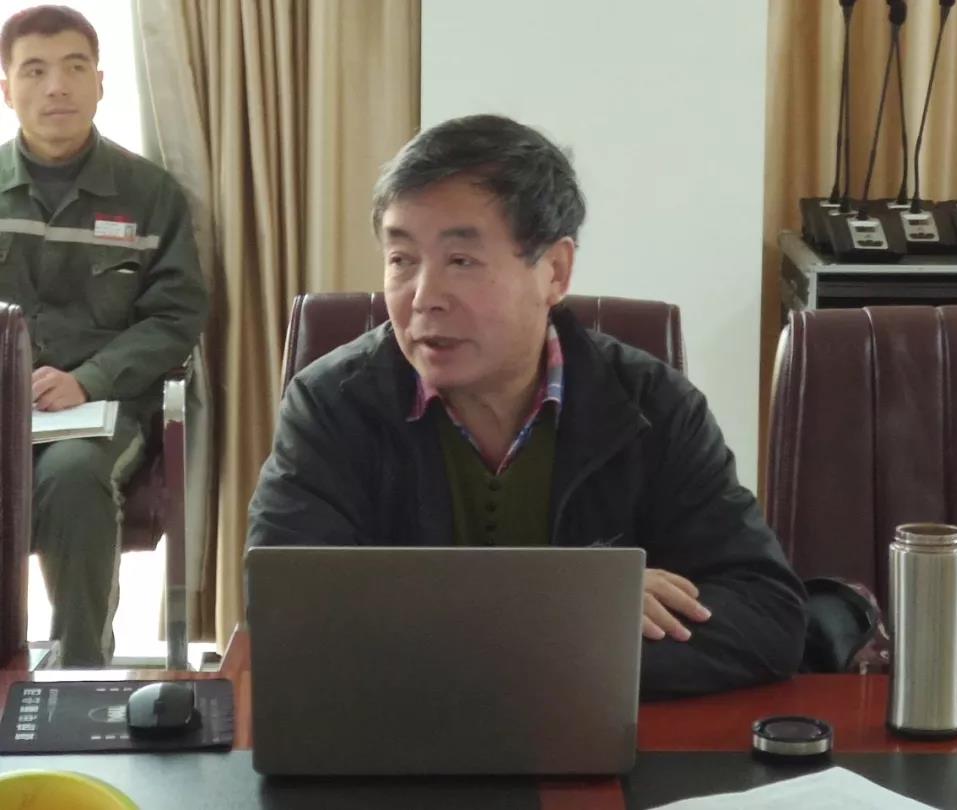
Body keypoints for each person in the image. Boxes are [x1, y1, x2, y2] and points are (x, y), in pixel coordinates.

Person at [247, 114, 806, 697]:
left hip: (593, 741)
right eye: (402, 260)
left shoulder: (651, 406)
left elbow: (767, 616)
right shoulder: (333, 405)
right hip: (400, 741)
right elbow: (287, 612)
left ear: (555, 271)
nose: (424, 297)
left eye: (461, 261)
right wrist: (575, 607)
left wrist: (458, 637)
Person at [0, 6, 207, 666]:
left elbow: (175, 315)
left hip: (101, 412)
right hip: (4, 407)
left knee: (73, 477)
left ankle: (79, 670)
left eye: (74, 67)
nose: (56, 86)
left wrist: (88, 380)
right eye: (34, 71)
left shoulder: (149, 195)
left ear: (100, 83)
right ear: (7, 90)